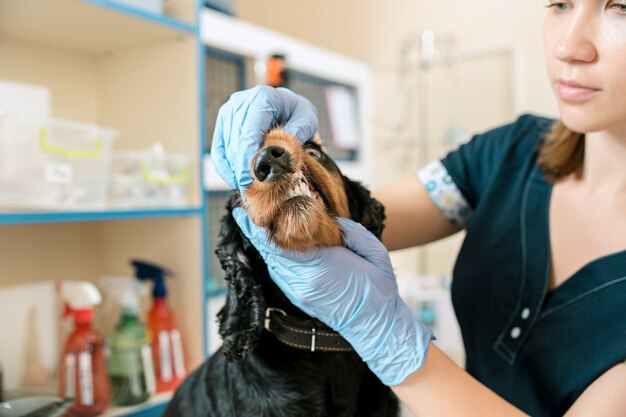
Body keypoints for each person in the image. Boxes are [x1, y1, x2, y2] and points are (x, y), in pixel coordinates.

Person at [210, 1, 626, 416]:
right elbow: (360, 217)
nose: (568, 46)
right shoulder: (509, 155)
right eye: (560, 3)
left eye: (621, 7)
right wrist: (293, 168)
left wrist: (390, 340)